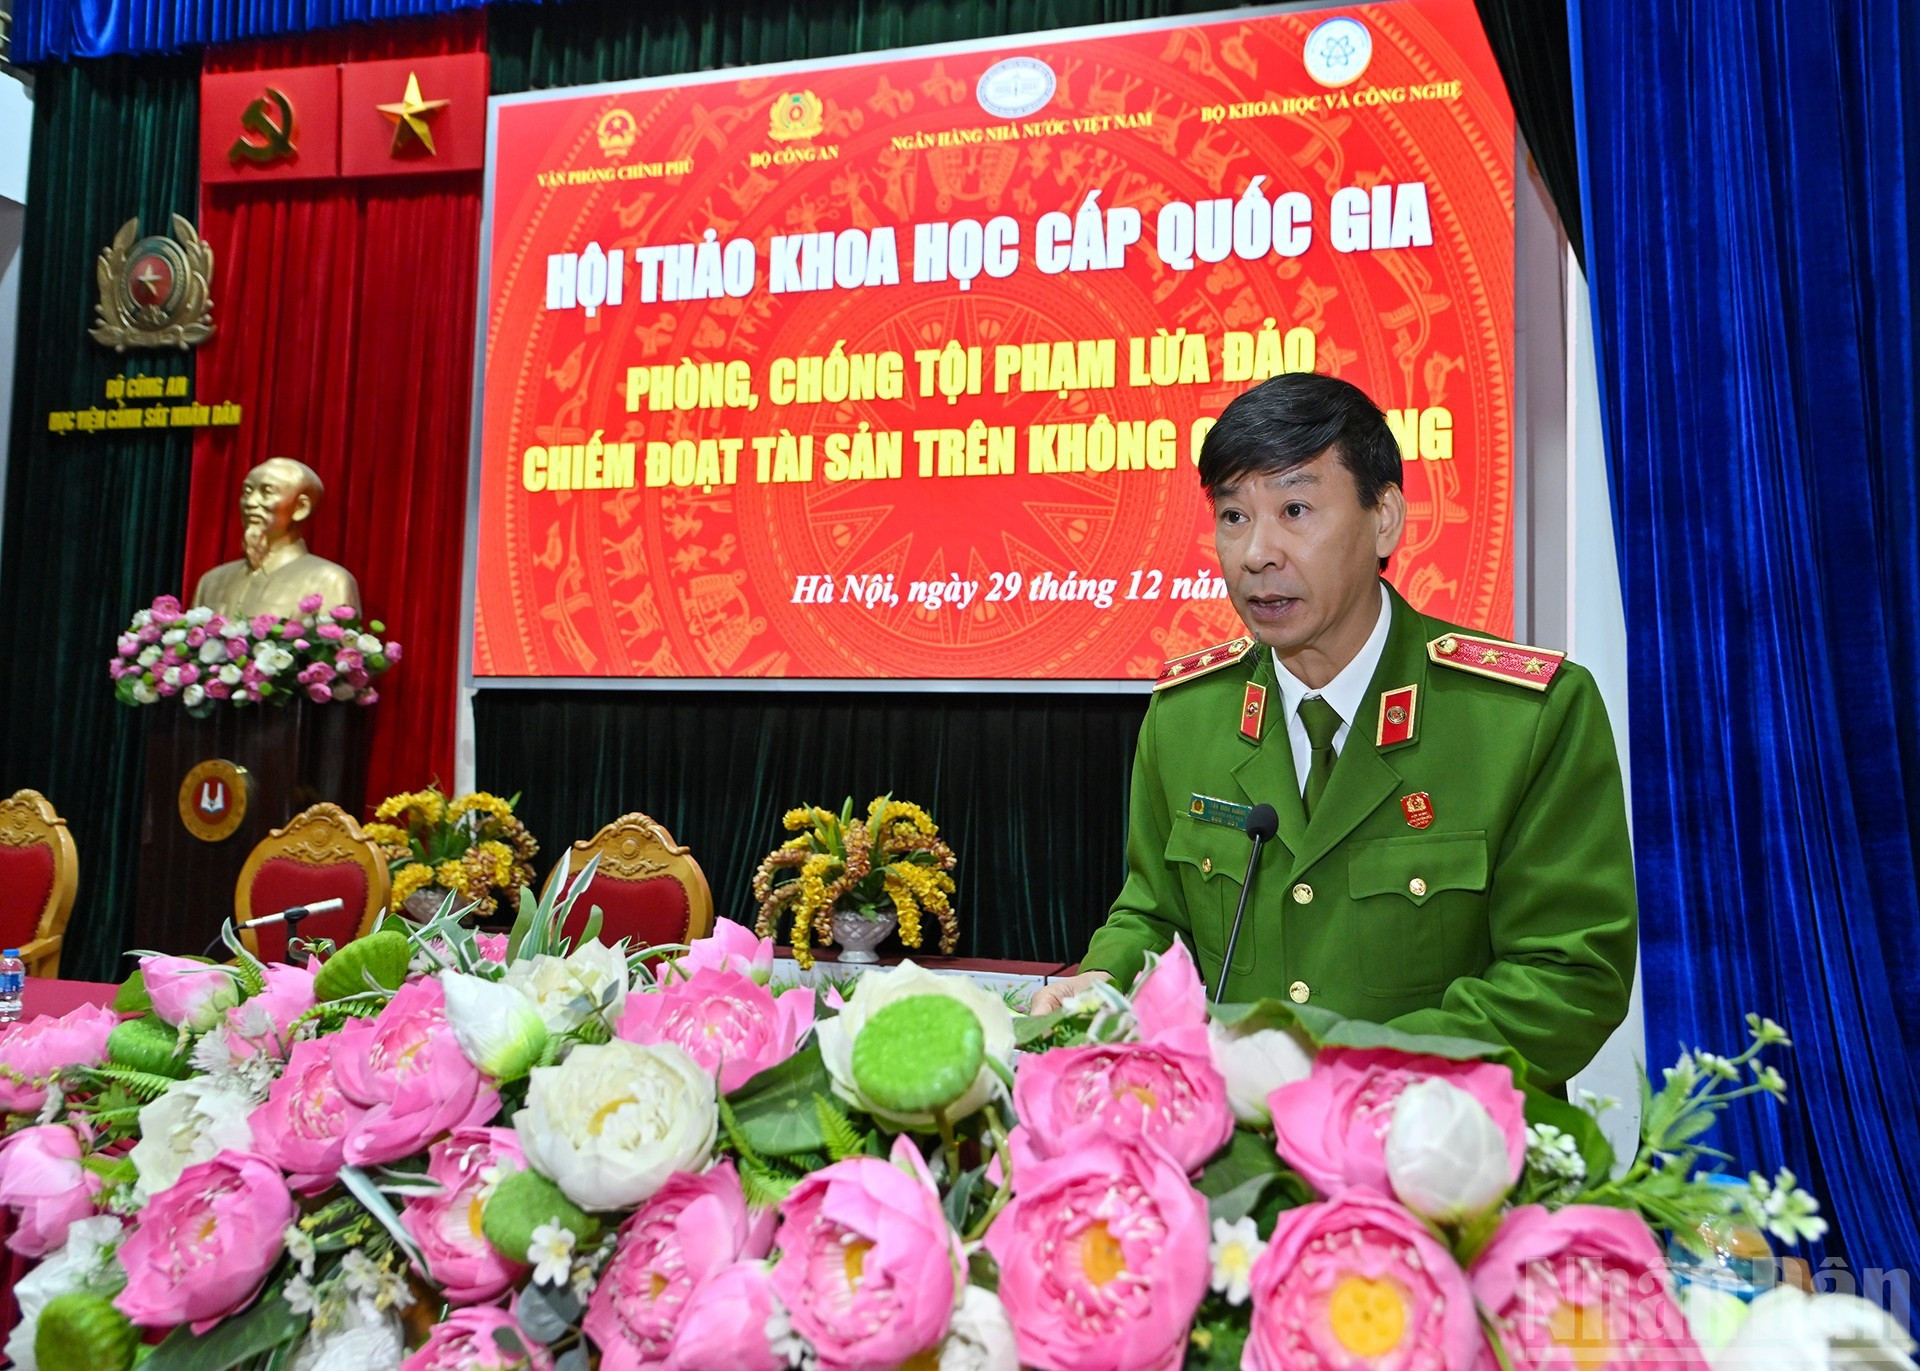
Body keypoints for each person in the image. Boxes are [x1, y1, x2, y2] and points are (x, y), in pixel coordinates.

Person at [1030, 373, 1636, 1092]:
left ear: (1384, 518)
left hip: (1440, 1166)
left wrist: (1344, 1073)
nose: (1257, 553)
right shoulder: (1187, 714)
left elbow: (1567, 978)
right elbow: (1156, 913)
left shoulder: (1527, 718)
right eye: (1233, 516)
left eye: (1294, 508)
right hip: (1236, 1167)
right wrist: (1104, 977)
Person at [191, 457, 361, 621]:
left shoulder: (330, 581)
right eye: (247, 491)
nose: (250, 502)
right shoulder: (212, 581)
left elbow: (332, 647)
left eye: (267, 492)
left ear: (301, 507)